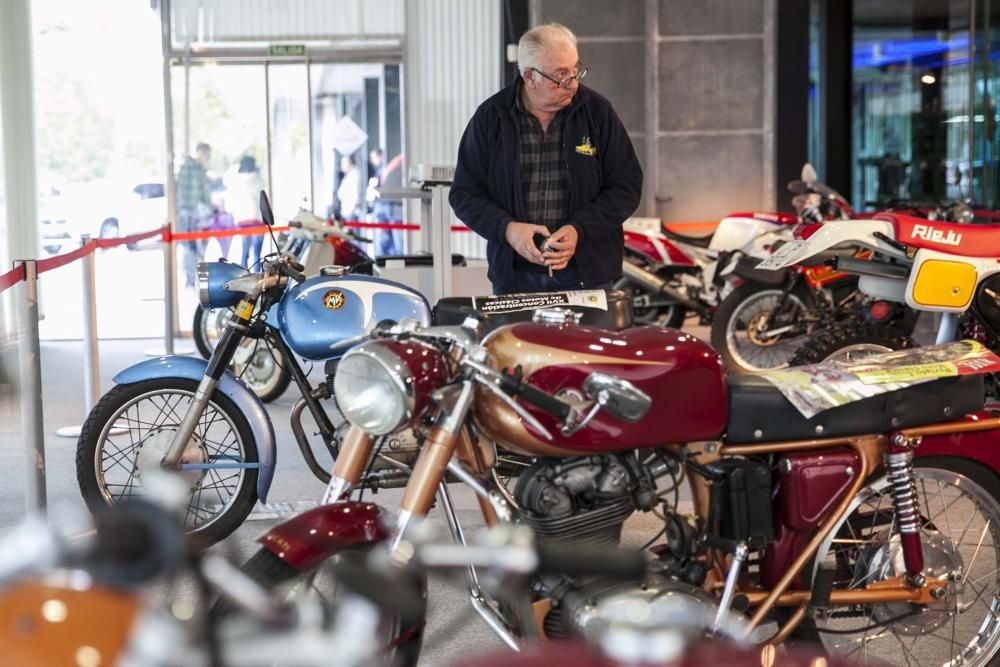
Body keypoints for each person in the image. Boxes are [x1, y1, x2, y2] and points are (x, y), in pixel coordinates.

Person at [449, 23, 642, 295]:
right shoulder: (491, 117)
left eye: (575, 72)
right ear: (530, 77)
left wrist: (580, 230)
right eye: (561, 76)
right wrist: (508, 230)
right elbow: (465, 194)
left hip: (587, 276)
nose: (572, 84)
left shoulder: (597, 114)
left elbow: (627, 186)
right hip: (515, 280)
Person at [176, 142, 212, 287]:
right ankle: (192, 279)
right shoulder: (193, 169)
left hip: (189, 213)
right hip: (189, 213)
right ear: (200, 152)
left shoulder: (189, 167)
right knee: (193, 247)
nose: (208, 157)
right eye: (207, 154)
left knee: (192, 247)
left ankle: (193, 279)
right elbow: (202, 192)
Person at [224, 155, 268, 268]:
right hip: (257, 218)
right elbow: (263, 200)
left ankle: (244, 272)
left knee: (244, 251)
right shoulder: (258, 180)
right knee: (257, 253)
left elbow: (229, 204)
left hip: (242, 219)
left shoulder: (235, 181)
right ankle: (257, 274)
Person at [366, 147, 404, 256]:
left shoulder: (389, 168)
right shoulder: (387, 168)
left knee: (393, 240)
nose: (372, 160)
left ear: (380, 156)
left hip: (388, 206)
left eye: (373, 157)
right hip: (387, 206)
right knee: (389, 240)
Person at [336, 154, 361, 221]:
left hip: (351, 211)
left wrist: (352, 209)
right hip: (348, 211)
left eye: (343, 163)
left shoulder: (354, 174)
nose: (341, 166)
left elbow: (355, 192)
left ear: (349, 162)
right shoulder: (349, 174)